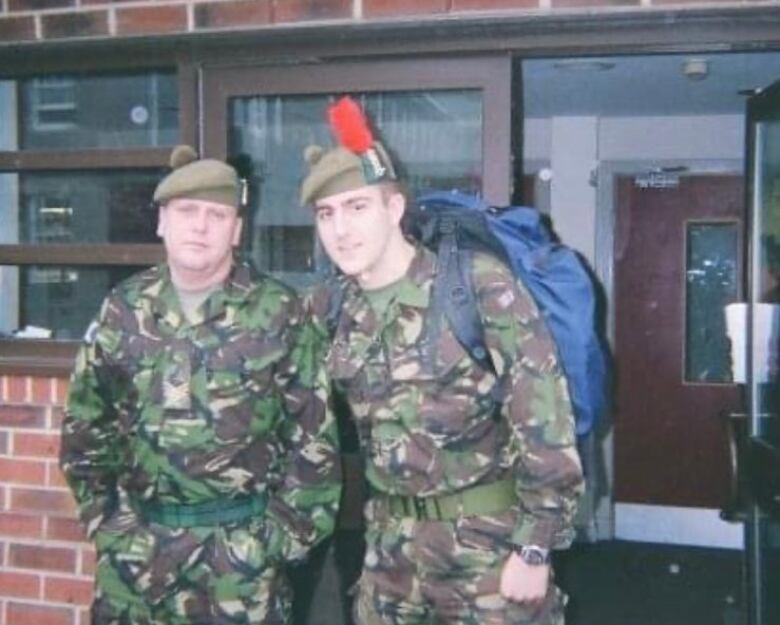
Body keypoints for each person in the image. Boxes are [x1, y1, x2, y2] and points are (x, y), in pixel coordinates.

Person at [300, 98, 584, 625]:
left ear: (394, 209)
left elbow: (545, 421)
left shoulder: (476, 286)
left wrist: (536, 549)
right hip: (389, 558)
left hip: (489, 556)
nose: (341, 229)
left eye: (357, 207)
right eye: (326, 214)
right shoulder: (332, 306)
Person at [60, 145, 341, 625]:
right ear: (161, 222)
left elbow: (314, 444)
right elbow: (85, 432)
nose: (200, 225)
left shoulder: (279, 313)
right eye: (186, 211)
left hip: (239, 571)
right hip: (136, 563)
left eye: (217, 214)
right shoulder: (122, 310)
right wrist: (111, 530)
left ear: (236, 230)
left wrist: (270, 546)